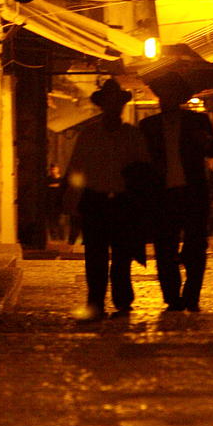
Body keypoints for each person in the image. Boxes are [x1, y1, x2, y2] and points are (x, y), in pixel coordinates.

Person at [64, 77, 151, 320]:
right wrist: (73, 201)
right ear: (104, 106)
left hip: (123, 202)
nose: (114, 108)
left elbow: (143, 169)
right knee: (96, 255)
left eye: (116, 104)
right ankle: (96, 301)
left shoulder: (132, 136)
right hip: (96, 201)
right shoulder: (89, 135)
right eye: (110, 104)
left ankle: (122, 299)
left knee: (122, 255)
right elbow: (77, 169)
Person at [139, 71, 213, 312]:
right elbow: (140, 162)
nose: (165, 99)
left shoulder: (198, 121)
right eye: (162, 95)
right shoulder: (148, 126)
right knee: (165, 248)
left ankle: (192, 295)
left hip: (193, 192)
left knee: (196, 246)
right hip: (162, 195)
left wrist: (204, 141)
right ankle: (172, 297)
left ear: (178, 97)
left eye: (170, 95)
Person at [44, 163, 65, 242]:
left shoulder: (62, 181)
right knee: (52, 223)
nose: (53, 171)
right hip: (50, 205)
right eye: (52, 169)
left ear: (58, 169)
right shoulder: (47, 180)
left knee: (60, 223)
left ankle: (62, 239)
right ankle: (54, 240)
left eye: (54, 169)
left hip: (59, 205)